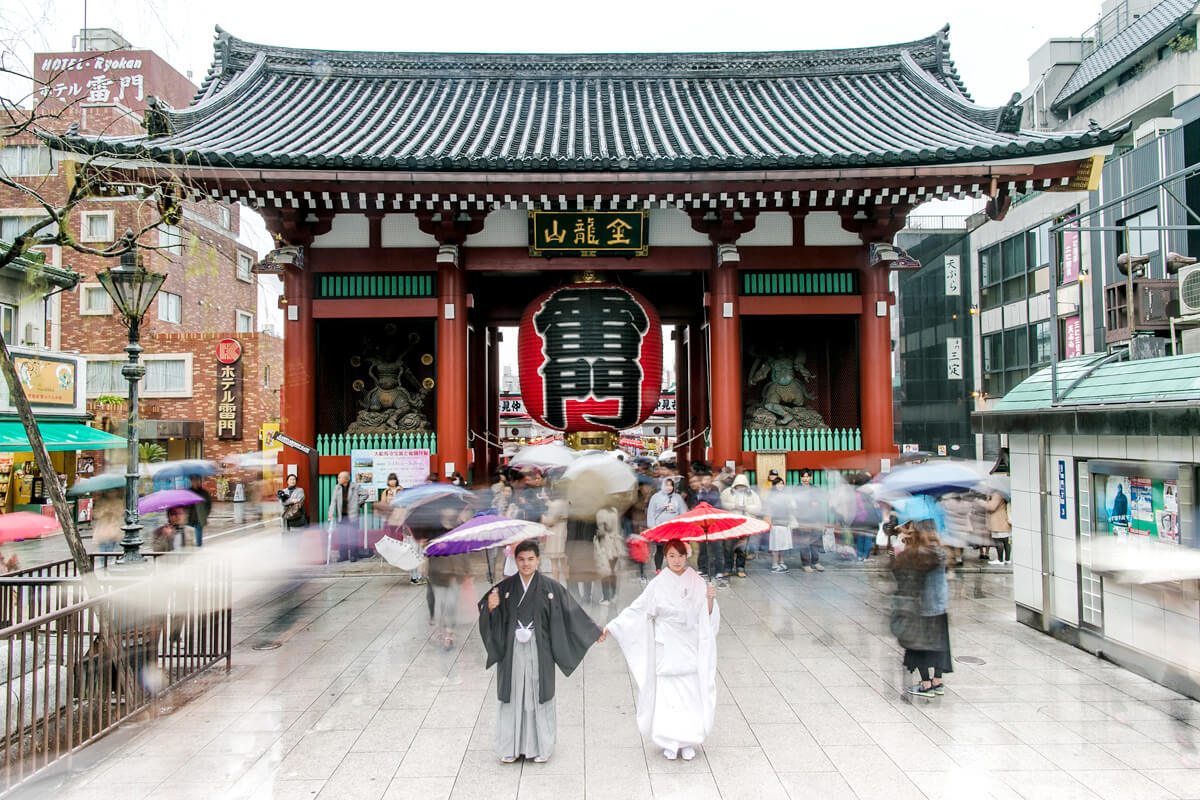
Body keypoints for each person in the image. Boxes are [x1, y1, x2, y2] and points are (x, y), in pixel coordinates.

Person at [478, 539, 606, 764]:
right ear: (515, 561)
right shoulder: (504, 589)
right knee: (514, 694)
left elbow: (571, 611)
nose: (526, 564)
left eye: (530, 559)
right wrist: (491, 608)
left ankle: (539, 747)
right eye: (521, 559)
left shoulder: (550, 587)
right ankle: (510, 747)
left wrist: (594, 631)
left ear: (538, 560)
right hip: (512, 649)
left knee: (537, 695)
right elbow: (490, 617)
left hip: (540, 648)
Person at [603, 538, 719, 761]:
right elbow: (638, 608)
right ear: (665, 557)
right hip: (666, 643)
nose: (676, 560)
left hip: (688, 641)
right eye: (671, 556)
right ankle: (668, 739)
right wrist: (613, 626)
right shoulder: (658, 582)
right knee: (667, 692)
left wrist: (710, 600)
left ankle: (687, 740)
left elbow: (706, 615)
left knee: (689, 691)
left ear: (687, 556)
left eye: (680, 555)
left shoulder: (697, 580)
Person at [891, 500, 952, 698]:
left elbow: (904, 577)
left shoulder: (920, 555)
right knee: (939, 644)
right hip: (940, 607)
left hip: (923, 608)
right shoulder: (940, 552)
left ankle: (925, 684)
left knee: (920, 647)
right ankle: (938, 681)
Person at [427, 505, 474, 649]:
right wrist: (436, 546)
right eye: (447, 507)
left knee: (451, 603)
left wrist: (468, 570)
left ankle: (449, 634)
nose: (450, 510)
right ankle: (442, 629)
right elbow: (427, 549)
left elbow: (465, 549)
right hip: (438, 571)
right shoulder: (434, 528)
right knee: (442, 602)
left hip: (456, 570)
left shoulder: (460, 528)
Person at [720, 473, 761, 578]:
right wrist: (734, 506)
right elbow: (721, 504)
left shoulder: (752, 494)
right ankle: (727, 568)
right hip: (730, 524)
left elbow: (758, 508)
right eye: (739, 486)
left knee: (742, 547)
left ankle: (740, 568)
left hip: (744, 524)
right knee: (728, 547)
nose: (740, 488)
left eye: (743, 486)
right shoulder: (727, 492)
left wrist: (746, 507)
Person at [326, 470, 369, 562]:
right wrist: (330, 513)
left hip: (353, 517)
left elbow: (365, 494)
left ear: (346, 479)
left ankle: (354, 555)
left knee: (354, 537)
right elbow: (333, 501)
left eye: (339, 477)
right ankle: (343, 556)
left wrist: (358, 503)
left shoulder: (355, 487)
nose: (338, 479)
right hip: (341, 517)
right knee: (342, 537)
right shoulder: (337, 488)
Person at [691, 470, 725, 582]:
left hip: (714, 522)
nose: (706, 481)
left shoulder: (715, 491)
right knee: (703, 548)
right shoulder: (698, 492)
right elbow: (695, 505)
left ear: (711, 480)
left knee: (717, 548)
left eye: (708, 479)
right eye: (704, 479)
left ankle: (719, 570)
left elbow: (718, 505)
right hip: (702, 522)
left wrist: (705, 503)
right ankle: (703, 568)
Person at [646, 478, 687, 571]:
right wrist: (652, 526)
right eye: (666, 485)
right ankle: (658, 569)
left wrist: (682, 525)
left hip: (674, 528)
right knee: (660, 548)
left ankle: (673, 568)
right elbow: (651, 512)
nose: (669, 487)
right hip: (660, 527)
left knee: (674, 549)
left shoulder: (677, 498)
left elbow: (683, 512)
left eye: (671, 485)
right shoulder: (655, 497)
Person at [792, 469, 825, 573]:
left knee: (815, 541)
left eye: (807, 476)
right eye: (803, 476)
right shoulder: (797, 489)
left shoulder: (815, 488)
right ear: (801, 478)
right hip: (803, 518)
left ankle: (815, 562)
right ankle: (805, 563)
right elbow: (795, 503)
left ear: (810, 477)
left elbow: (820, 502)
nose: (805, 478)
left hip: (814, 518)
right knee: (804, 541)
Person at [764, 476, 793, 572]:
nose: (780, 485)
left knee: (783, 545)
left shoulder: (786, 495)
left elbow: (790, 508)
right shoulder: (772, 496)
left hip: (785, 523)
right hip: (776, 523)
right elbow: (769, 509)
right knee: (776, 545)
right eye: (778, 484)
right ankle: (774, 564)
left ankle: (782, 562)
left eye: (782, 483)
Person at [984, 490, 1011, 564]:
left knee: (999, 541)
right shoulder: (1003, 493)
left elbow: (991, 507)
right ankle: (1007, 559)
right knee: (1006, 541)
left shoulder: (997, 494)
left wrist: (982, 501)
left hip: (997, 521)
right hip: (1003, 520)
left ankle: (1000, 560)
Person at [187, 475, 213, 547]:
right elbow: (184, 505)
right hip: (188, 520)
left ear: (199, 481)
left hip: (199, 520)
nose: (195, 482)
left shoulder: (204, 493)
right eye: (193, 480)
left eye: (197, 480)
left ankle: (198, 553)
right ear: (191, 481)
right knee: (188, 541)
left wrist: (205, 515)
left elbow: (209, 505)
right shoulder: (188, 492)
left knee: (198, 542)